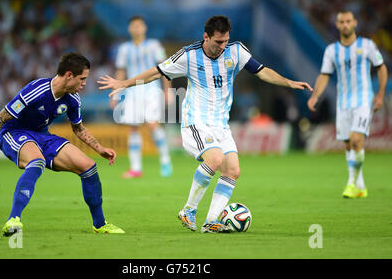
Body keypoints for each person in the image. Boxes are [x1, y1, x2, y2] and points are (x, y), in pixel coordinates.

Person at [98, 16, 312, 233]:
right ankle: (188, 210)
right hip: (195, 123)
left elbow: (262, 70)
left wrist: (288, 82)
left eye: (226, 41)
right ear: (206, 37)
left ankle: (210, 222)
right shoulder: (189, 55)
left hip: (221, 125)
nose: (223, 46)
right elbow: (156, 72)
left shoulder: (236, 51)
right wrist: (124, 83)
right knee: (216, 158)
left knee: (233, 170)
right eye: (218, 42)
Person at [0, 52, 125, 235]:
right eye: (82, 79)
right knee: (37, 161)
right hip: (15, 133)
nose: (84, 84)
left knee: (88, 166)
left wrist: (99, 149)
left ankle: (100, 224)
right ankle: (13, 220)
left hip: (42, 135)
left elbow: (78, 128)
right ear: (68, 75)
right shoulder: (36, 90)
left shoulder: (72, 99)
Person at [307, 11, 388, 199]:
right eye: (341, 22)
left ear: (355, 23)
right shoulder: (331, 50)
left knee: (356, 140)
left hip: (363, 100)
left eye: (348, 21)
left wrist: (380, 94)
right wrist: (315, 96)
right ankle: (361, 186)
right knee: (349, 145)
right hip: (343, 103)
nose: (345, 25)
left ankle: (351, 183)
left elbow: (381, 67)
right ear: (337, 24)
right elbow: (325, 74)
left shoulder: (367, 45)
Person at [112, 15, 172, 178]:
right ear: (129, 29)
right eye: (133, 26)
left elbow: (166, 68)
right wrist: (115, 95)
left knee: (152, 125)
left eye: (139, 26)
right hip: (132, 91)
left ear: (144, 28)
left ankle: (166, 161)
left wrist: (168, 91)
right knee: (133, 127)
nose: (136, 29)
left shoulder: (154, 45)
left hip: (151, 90)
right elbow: (121, 71)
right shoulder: (124, 48)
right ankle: (136, 168)